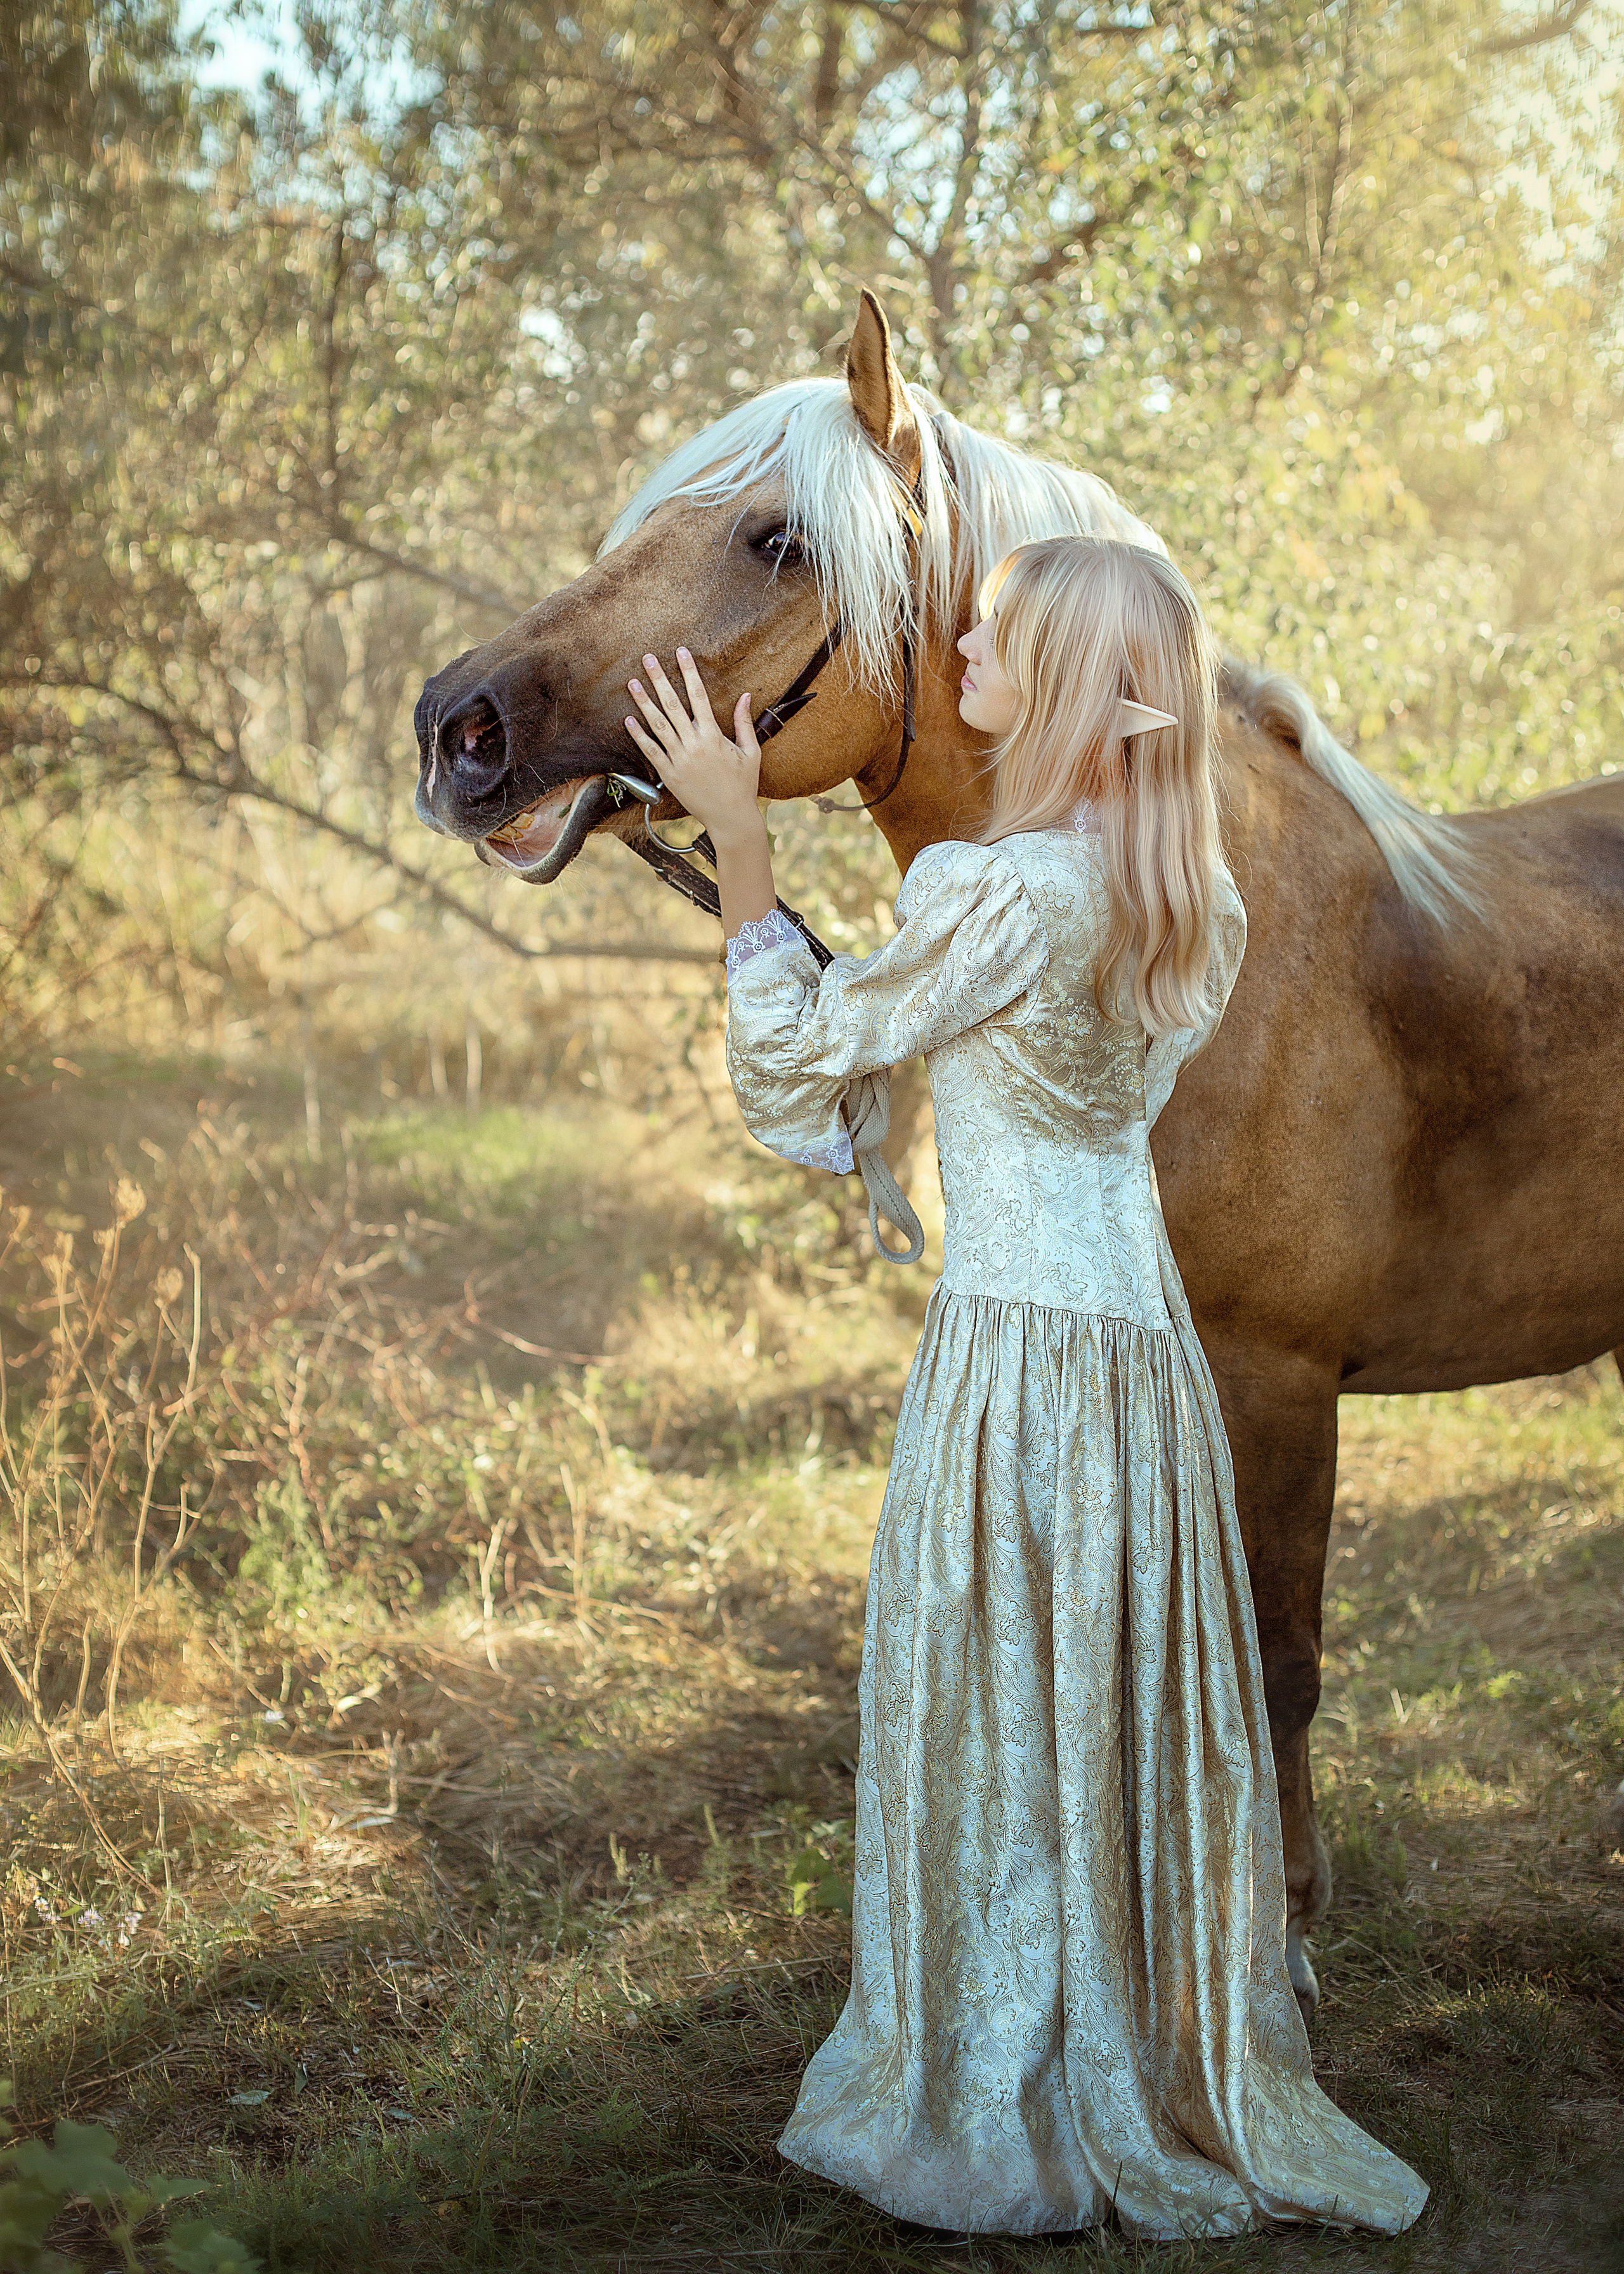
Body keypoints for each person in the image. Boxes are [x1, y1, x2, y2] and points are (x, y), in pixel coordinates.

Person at [622, 536, 1427, 2240]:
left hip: (1021, 1345)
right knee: (1111, 1673)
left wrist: (739, 831)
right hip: (1132, 1349)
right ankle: (1135, 2019)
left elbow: (804, 1053)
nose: (964, 667)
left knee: (1001, 1669)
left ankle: (1018, 2059)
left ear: (1058, 683)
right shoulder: (1179, 891)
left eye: (989, 651)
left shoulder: (993, 895)